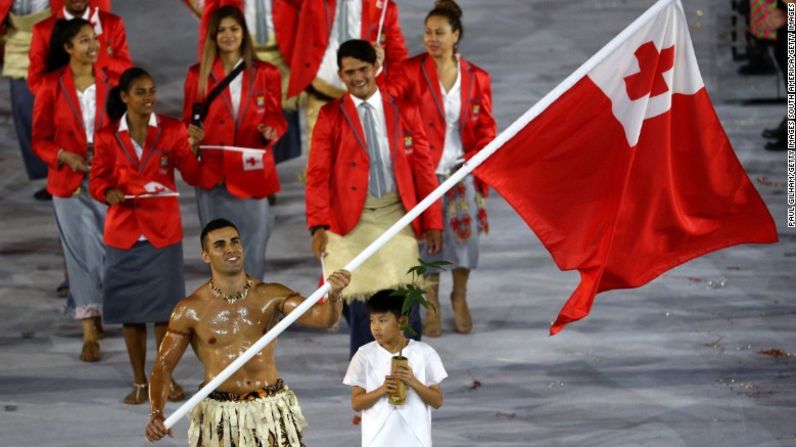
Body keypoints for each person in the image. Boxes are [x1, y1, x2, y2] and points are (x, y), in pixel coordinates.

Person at [144, 218, 351, 447]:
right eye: (220, 245)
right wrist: (156, 413)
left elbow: (324, 318)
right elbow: (162, 367)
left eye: (235, 242)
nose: (230, 249)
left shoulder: (271, 295)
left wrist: (335, 296)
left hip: (269, 408)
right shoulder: (190, 310)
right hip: (220, 414)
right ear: (205, 255)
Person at [305, 39, 444, 358]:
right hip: (349, 224)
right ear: (340, 74)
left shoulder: (404, 108)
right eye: (349, 71)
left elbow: (423, 167)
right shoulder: (330, 115)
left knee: (407, 304)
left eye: (363, 69)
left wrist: (433, 221)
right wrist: (318, 226)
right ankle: (366, 390)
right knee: (360, 312)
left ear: (376, 68)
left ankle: (409, 378)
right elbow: (317, 174)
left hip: (398, 217)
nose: (357, 77)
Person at [89, 66, 219, 404]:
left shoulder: (172, 130)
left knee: (165, 314)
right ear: (124, 97)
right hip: (124, 235)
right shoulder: (105, 136)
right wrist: (108, 193)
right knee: (131, 316)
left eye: (152, 91)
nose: (149, 98)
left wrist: (195, 149)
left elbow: (191, 174)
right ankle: (138, 381)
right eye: (141, 92)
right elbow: (97, 180)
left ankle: (164, 377)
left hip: (162, 235)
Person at [386, 0, 497, 336]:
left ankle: (459, 296)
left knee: (465, 239)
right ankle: (430, 302)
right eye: (427, 32)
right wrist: (379, 69)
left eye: (439, 33)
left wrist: (479, 158)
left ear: (456, 35)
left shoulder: (477, 78)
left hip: (462, 170)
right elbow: (387, 96)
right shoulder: (409, 70)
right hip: (422, 172)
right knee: (426, 243)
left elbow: (487, 128)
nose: (431, 39)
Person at [183, 5, 286, 281]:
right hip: (213, 175)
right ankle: (227, 314)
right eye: (222, 31)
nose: (228, 36)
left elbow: (277, 115)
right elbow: (186, 121)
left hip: (251, 172)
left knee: (253, 244)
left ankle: (255, 315)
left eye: (234, 29)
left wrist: (271, 129)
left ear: (244, 33)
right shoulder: (198, 75)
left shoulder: (267, 73)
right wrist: (191, 136)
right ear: (212, 36)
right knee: (219, 250)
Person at [31, 17, 113, 362]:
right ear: (67, 48)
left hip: (109, 179)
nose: (93, 45)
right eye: (84, 40)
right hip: (69, 182)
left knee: (111, 253)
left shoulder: (112, 82)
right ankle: (89, 329)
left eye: (94, 39)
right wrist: (64, 156)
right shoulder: (50, 86)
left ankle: (109, 310)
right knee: (82, 257)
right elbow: (39, 138)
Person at [287, 0, 409, 161]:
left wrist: (394, 92)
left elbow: (398, 57)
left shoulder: (384, 6)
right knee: (320, 162)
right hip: (322, 91)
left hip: (362, 96)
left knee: (360, 163)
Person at [193, 0, 303, 164]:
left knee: (279, 113)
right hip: (238, 53)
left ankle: (267, 166)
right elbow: (210, 18)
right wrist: (206, 62)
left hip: (281, 51)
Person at [343, 289, 446, 447]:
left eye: (382, 321)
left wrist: (413, 382)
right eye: (372, 320)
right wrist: (382, 390)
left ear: (402, 321)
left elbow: (437, 401)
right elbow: (356, 403)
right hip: (377, 440)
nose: (376, 327)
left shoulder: (425, 353)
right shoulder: (364, 355)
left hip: (415, 439)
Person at [1, 0, 52, 200]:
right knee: (25, 111)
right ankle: (52, 176)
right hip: (17, 43)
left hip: (55, 37)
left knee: (64, 114)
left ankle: (71, 176)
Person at [27, 0, 132, 94]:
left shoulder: (112, 23)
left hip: (105, 104)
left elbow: (126, 69)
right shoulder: (43, 29)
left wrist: (105, 60)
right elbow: (35, 81)